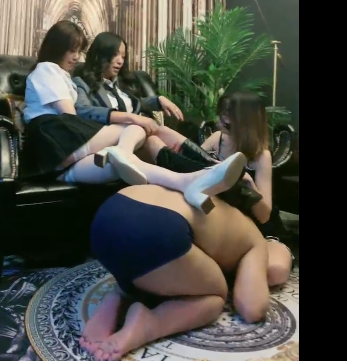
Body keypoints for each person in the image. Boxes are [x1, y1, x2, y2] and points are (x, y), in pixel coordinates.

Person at [23, 21, 245, 214]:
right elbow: (69, 114)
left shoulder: (67, 77)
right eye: (72, 50)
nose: (76, 57)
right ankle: (205, 165)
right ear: (57, 48)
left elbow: (133, 102)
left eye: (79, 51)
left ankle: (187, 183)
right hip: (56, 143)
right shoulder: (48, 69)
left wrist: (154, 101)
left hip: (64, 167)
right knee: (137, 125)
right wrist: (132, 120)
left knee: (126, 164)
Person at [80, 183, 269, 361]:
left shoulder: (209, 197)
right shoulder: (255, 238)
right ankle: (151, 322)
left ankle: (119, 294)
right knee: (216, 297)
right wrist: (264, 252)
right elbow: (252, 309)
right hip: (156, 231)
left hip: (109, 212)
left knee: (156, 266)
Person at [72, 32, 219, 173]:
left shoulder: (120, 83)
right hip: (114, 140)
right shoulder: (82, 82)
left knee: (159, 131)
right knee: (152, 140)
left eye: (123, 56)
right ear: (101, 54)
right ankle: (206, 171)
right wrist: (132, 118)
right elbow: (83, 110)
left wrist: (159, 100)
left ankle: (211, 165)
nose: (120, 61)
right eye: (115, 54)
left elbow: (136, 103)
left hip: (138, 136)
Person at [202, 92, 294, 287]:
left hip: (258, 229)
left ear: (242, 119)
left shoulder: (261, 156)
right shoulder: (216, 140)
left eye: (225, 114)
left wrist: (249, 185)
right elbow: (189, 167)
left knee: (274, 271)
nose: (218, 119)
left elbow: (264, 216)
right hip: (221, 222)